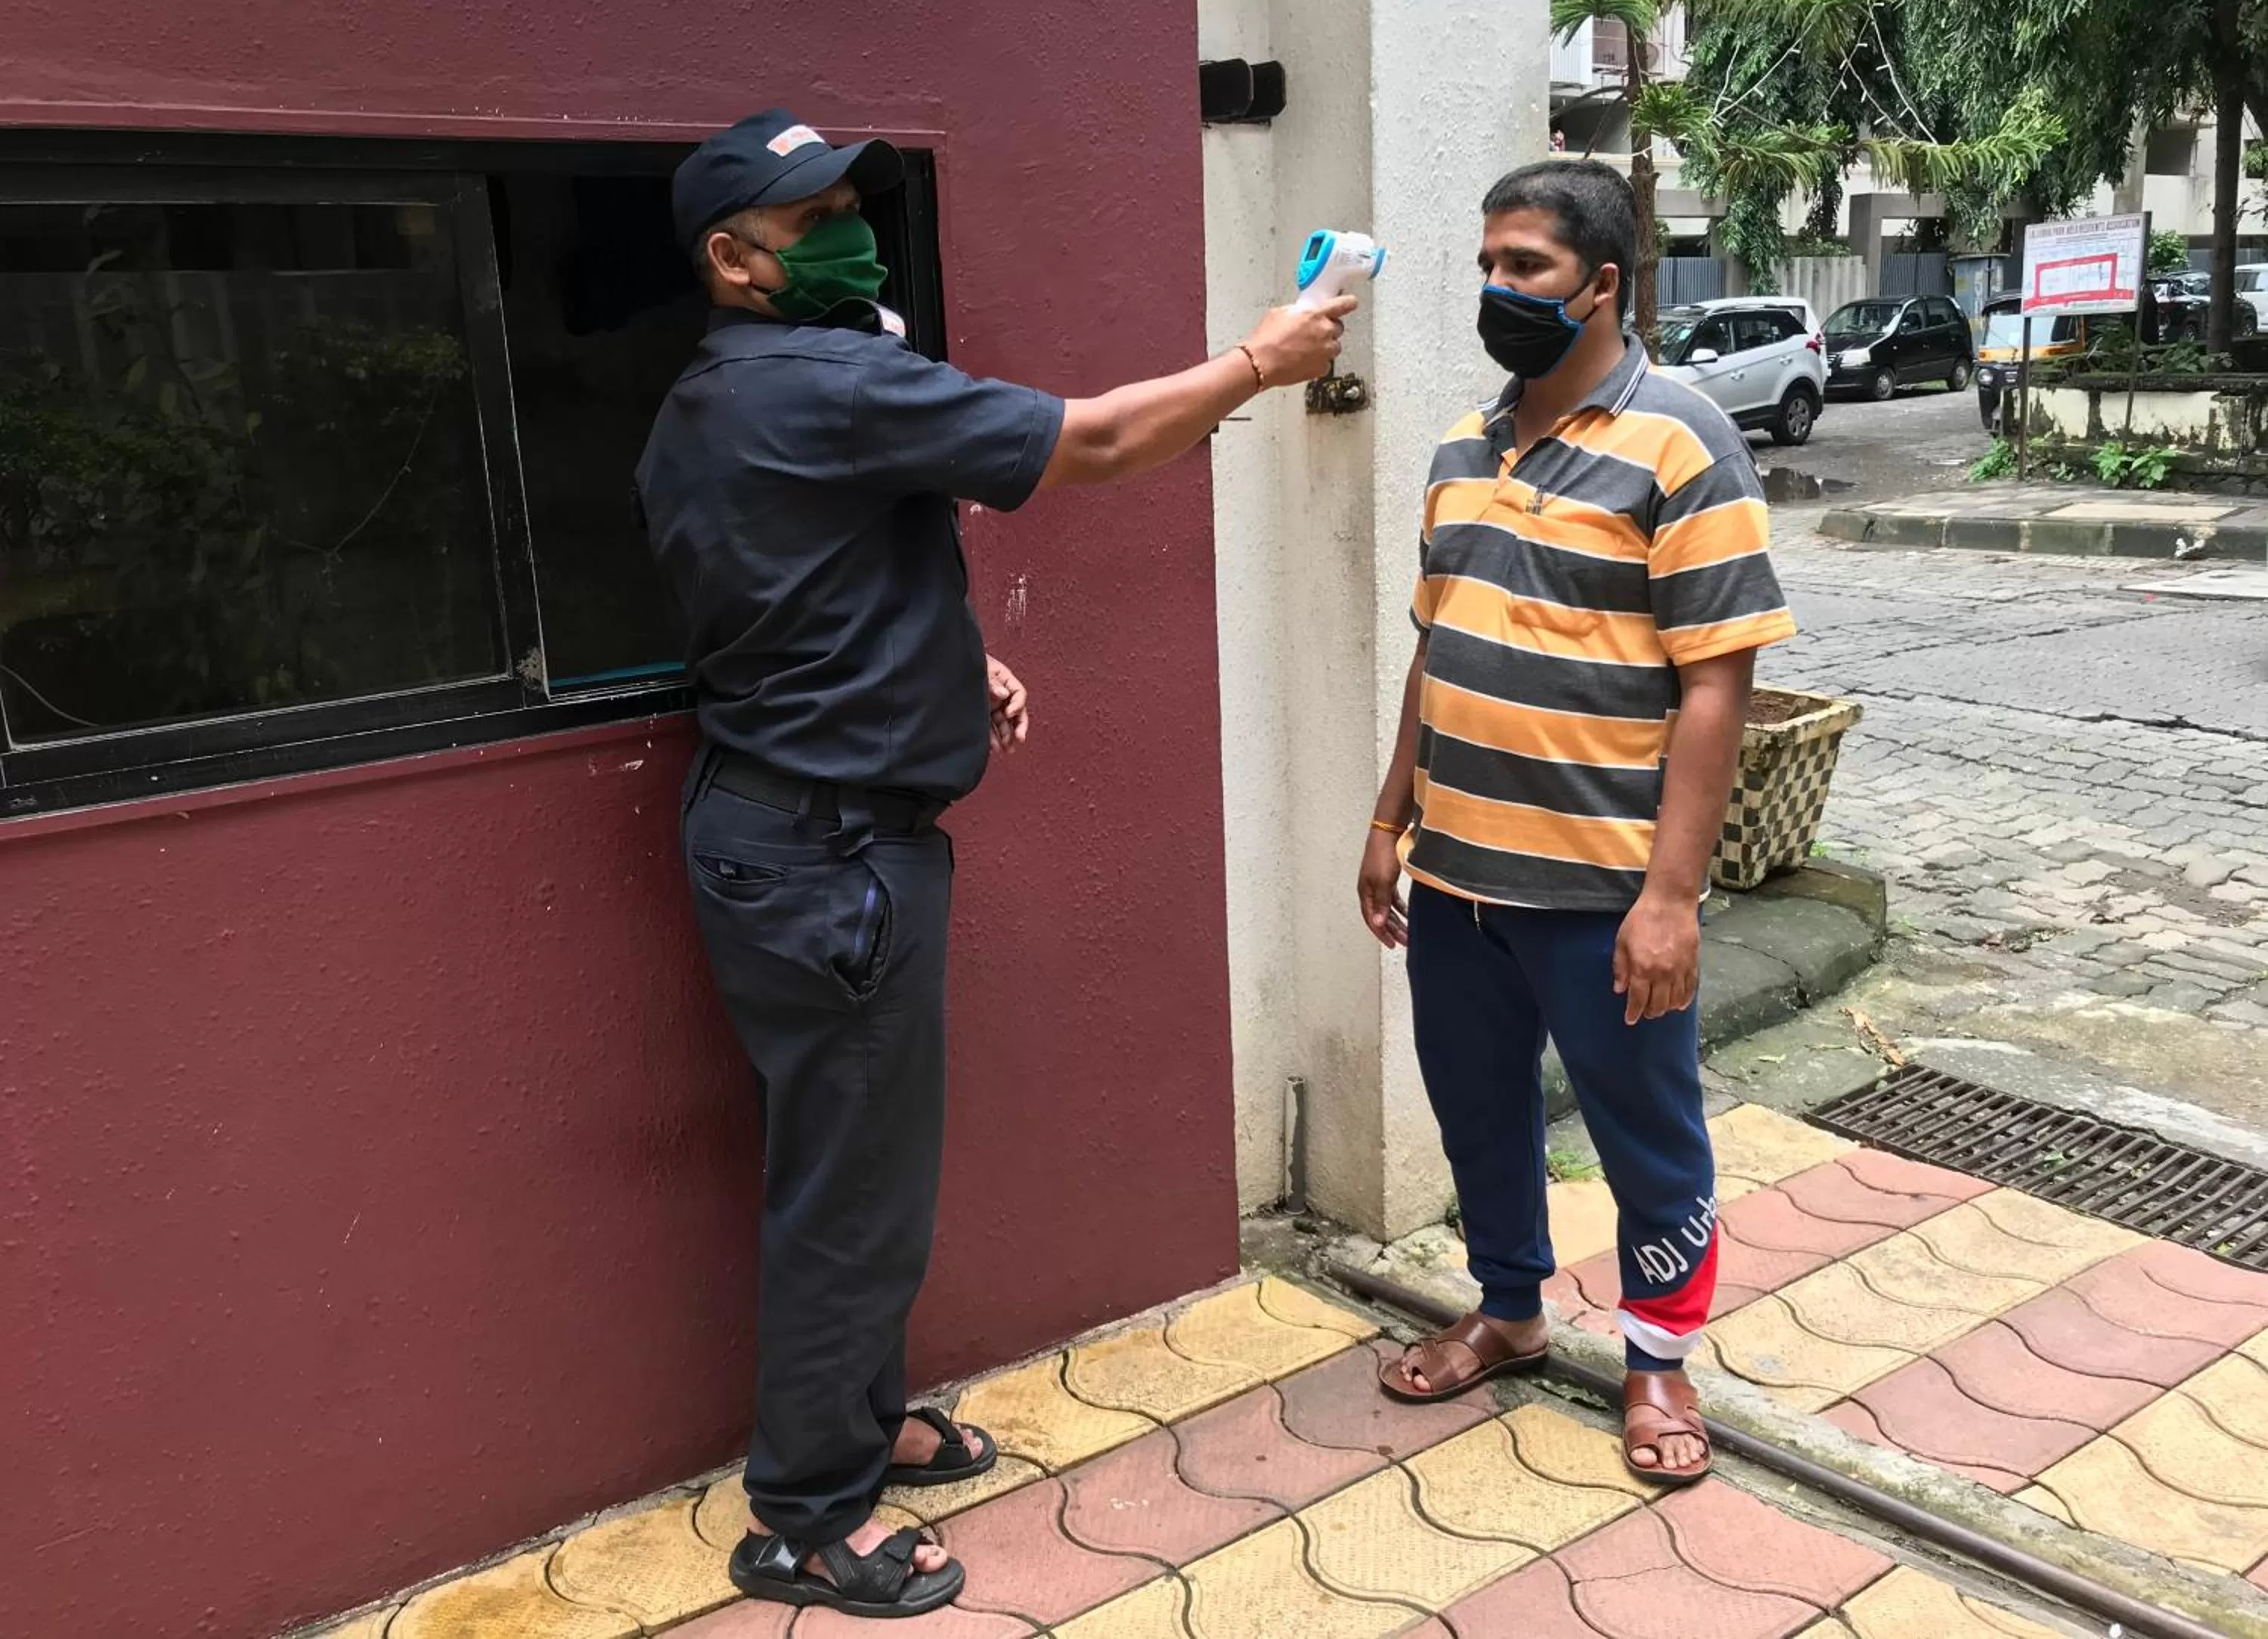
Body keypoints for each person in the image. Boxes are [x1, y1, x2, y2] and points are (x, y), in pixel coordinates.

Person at [634, 109, 1349, 1621]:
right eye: (815, 213)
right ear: (732, 258)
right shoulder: (825, 381)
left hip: (786, 832)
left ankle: (854, 1425)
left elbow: (806, 594)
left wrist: (952, 666)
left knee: (853, 1170)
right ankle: (807, 1523)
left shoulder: (711, 402)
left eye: (851, 204)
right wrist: (1258, 366)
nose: (851, 232)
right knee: (853, 1195)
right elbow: (1087, 441)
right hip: (831, 858)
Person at [1356, 160, 1795, 1486]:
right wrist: (1389, 821)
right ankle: (1510, 1308)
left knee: (1646, 1130)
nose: (1497, 289)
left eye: (1527, 267)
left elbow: (1718, 679)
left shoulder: (1682, 438)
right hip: (1461, 879)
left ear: (1603, 284)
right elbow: (1440, 654)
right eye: (1488, 264)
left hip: (1603, 891)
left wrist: (1671, 896)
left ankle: (1658, 1357)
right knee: (1477, 1112)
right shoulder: (1456, 451)